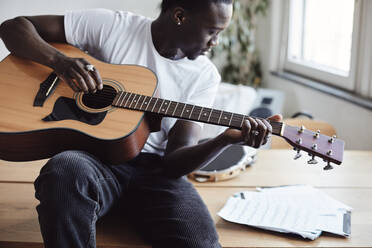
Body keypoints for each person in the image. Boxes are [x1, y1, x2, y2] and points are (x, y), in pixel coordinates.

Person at [0, 0, 282, 247]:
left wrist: (225, 139)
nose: (216, 42)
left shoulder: (204, 76)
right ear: (180, 16)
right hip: (95, 159)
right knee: (63, 171)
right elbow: (13, 27)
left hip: (156, 173)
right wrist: (59, 62)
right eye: (213, 31)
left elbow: (174, 163)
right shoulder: (112, 26)